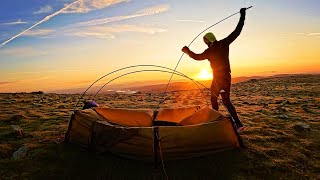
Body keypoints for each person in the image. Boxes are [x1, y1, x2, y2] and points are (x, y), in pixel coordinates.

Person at [182, 8, 247, 132]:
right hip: (221, 78)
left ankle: (238, 124)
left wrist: (187, 51)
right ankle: (216, 119)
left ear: (208, 40)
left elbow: (196, 57)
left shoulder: (210, 50)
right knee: (213, 98)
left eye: (205, 41)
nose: (205, 43)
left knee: (225, 101)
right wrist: (242, 15)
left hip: (221, 79)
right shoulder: (223, 43)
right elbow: (237, 31)